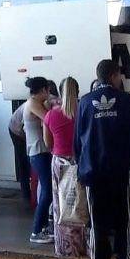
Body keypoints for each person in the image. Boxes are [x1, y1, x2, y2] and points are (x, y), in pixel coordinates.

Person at [74, 59, 130, 259]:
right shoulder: (126, 100)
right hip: (120, 172)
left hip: (93, 173)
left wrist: (82, 168)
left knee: (98, 222)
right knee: (123, 221)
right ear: (114, 76)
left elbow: (78, 142)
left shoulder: (84, 102)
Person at [24, 76, 54, 244]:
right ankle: (36, 231)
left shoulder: (36, 102)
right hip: (38, 152)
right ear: (43, 90)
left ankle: (42, 227)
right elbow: (49, 118)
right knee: (47, 191)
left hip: (41, 151)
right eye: (48, 90)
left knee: (48, 190)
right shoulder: (33, 103)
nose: (49, 93)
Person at [44, 77, 78, 226]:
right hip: (80, 162)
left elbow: (48, 143)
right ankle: (83, 241)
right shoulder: (83, 112)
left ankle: (63, 244)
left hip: (59, 162)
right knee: (80, 202)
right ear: (78, 91)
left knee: (60, 201)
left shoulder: (51, 115)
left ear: (58, 92)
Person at [9, 102, 32, 201]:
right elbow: (25, 129)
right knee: (23, 161)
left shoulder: (46, 101)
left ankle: (27, 192)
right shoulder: (32, 105)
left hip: (19, 128)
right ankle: (26, 194)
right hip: (16, 131)